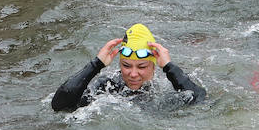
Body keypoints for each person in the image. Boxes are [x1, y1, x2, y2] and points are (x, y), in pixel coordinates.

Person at [51, 22, 205, 112]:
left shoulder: (170, 85)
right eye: (126, 65)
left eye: (142, 67)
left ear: (154, 65)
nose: (133, 74)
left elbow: (200, 103)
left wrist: (170, 67)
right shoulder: (108, 86)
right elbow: (59, 106)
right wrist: (96, 64)